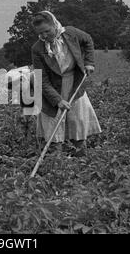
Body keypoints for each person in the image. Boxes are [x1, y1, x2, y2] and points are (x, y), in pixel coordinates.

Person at [31, 11, 101, 157]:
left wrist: (89, 63)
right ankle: (57, 163)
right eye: (40, 33)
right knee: (53, 129)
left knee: (77, 123)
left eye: (47, 31)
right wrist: (57, 100)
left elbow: (88, 40)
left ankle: (81, 159)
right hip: (51, 90)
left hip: (73, 83)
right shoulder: (37, 49)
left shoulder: (71, 33)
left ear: (54, 25)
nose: (44, 36)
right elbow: (41, 79)